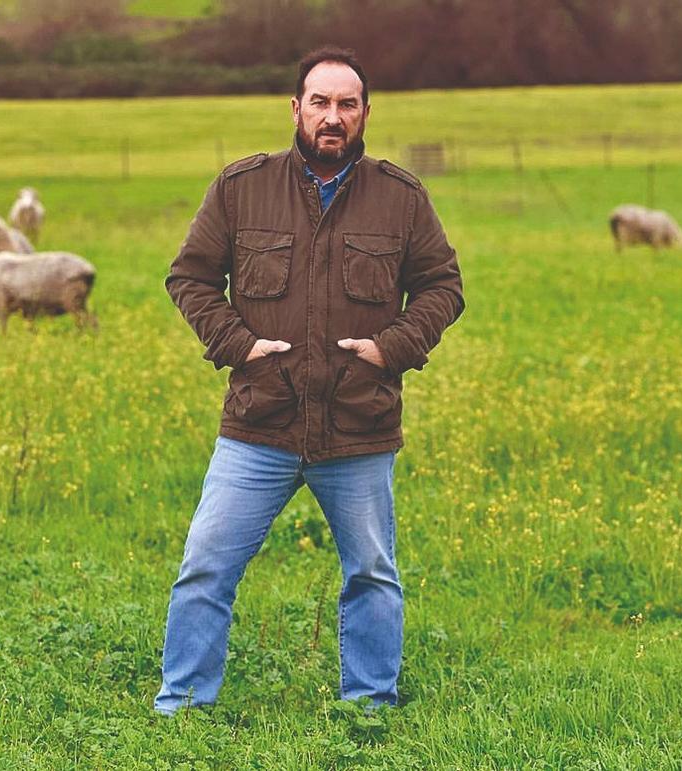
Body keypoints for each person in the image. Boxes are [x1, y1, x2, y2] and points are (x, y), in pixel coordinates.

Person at [155, 45, 464, 715]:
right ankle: (181, 704)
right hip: (259, 420)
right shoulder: (241, 188)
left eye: (346, 105)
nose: (332, 117)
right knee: (205, 567)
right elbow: (190, 278)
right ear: (295, 109)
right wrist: (238, 343)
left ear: (364, 114)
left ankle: (370, 706)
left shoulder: (401, 196)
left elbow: (443, 286)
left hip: (359, 425)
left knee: (373, 575)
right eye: (319, 103)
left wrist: (392, 348)